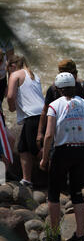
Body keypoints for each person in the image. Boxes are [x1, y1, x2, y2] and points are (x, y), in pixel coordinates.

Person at [39, 72, 84, 241]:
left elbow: (49, 135)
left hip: (62, 152)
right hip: (81, 152)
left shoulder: (54, 106)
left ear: (58, 89)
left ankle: (54, 236)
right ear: (74, 87)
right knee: (77, 193)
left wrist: (44, 159)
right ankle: (80, 235)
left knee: (53, 194)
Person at [36, 59, 84, 151]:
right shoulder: (54, 90)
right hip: (59, 139)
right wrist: (40, 133)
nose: (73, 77)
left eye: (74, 73)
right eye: (70, 74)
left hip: (81, 137)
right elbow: (45, 111)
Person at [7, 54, 44, 188]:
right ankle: (26, 180)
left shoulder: (15, 74)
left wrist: (11, 107)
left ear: (12, 66)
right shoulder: (33, 75)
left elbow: (11, 96)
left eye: (7, 69)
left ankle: (60, 175)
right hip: (43, 114)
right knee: (23, 147)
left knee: (36, 150)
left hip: (32, 116)